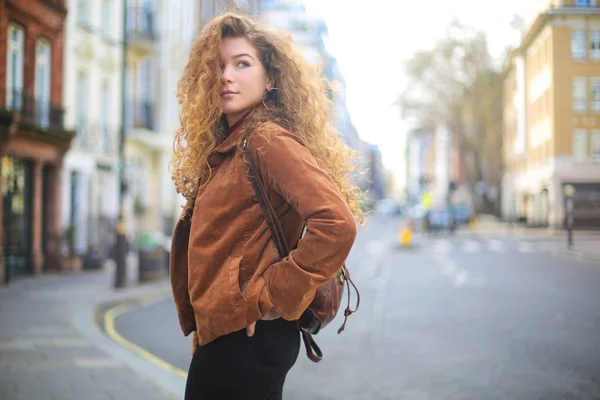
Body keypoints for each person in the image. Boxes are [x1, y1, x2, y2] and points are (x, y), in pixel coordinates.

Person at [169, 12, 365, 399]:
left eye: (242, 63)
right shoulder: (228, 147)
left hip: (248, 336)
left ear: (271, 79)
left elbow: (336, 223)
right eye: (220, 66)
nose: (227, 75)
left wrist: (276, 294)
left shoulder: (265, 141)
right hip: (228, 335)